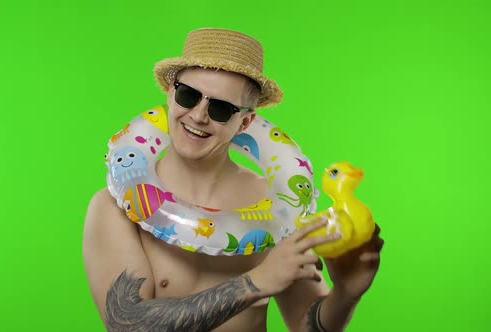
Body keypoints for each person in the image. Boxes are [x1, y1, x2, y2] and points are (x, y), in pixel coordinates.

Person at [83, 28, 384, 332]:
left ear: (246, 122)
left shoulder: (278, 212)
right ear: (170, 94)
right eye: (188, 95)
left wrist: (345, 295)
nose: (199, 116)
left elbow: (307, 326)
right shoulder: (114, 208)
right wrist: (254, 282)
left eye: (221, 108)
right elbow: (126, 325)